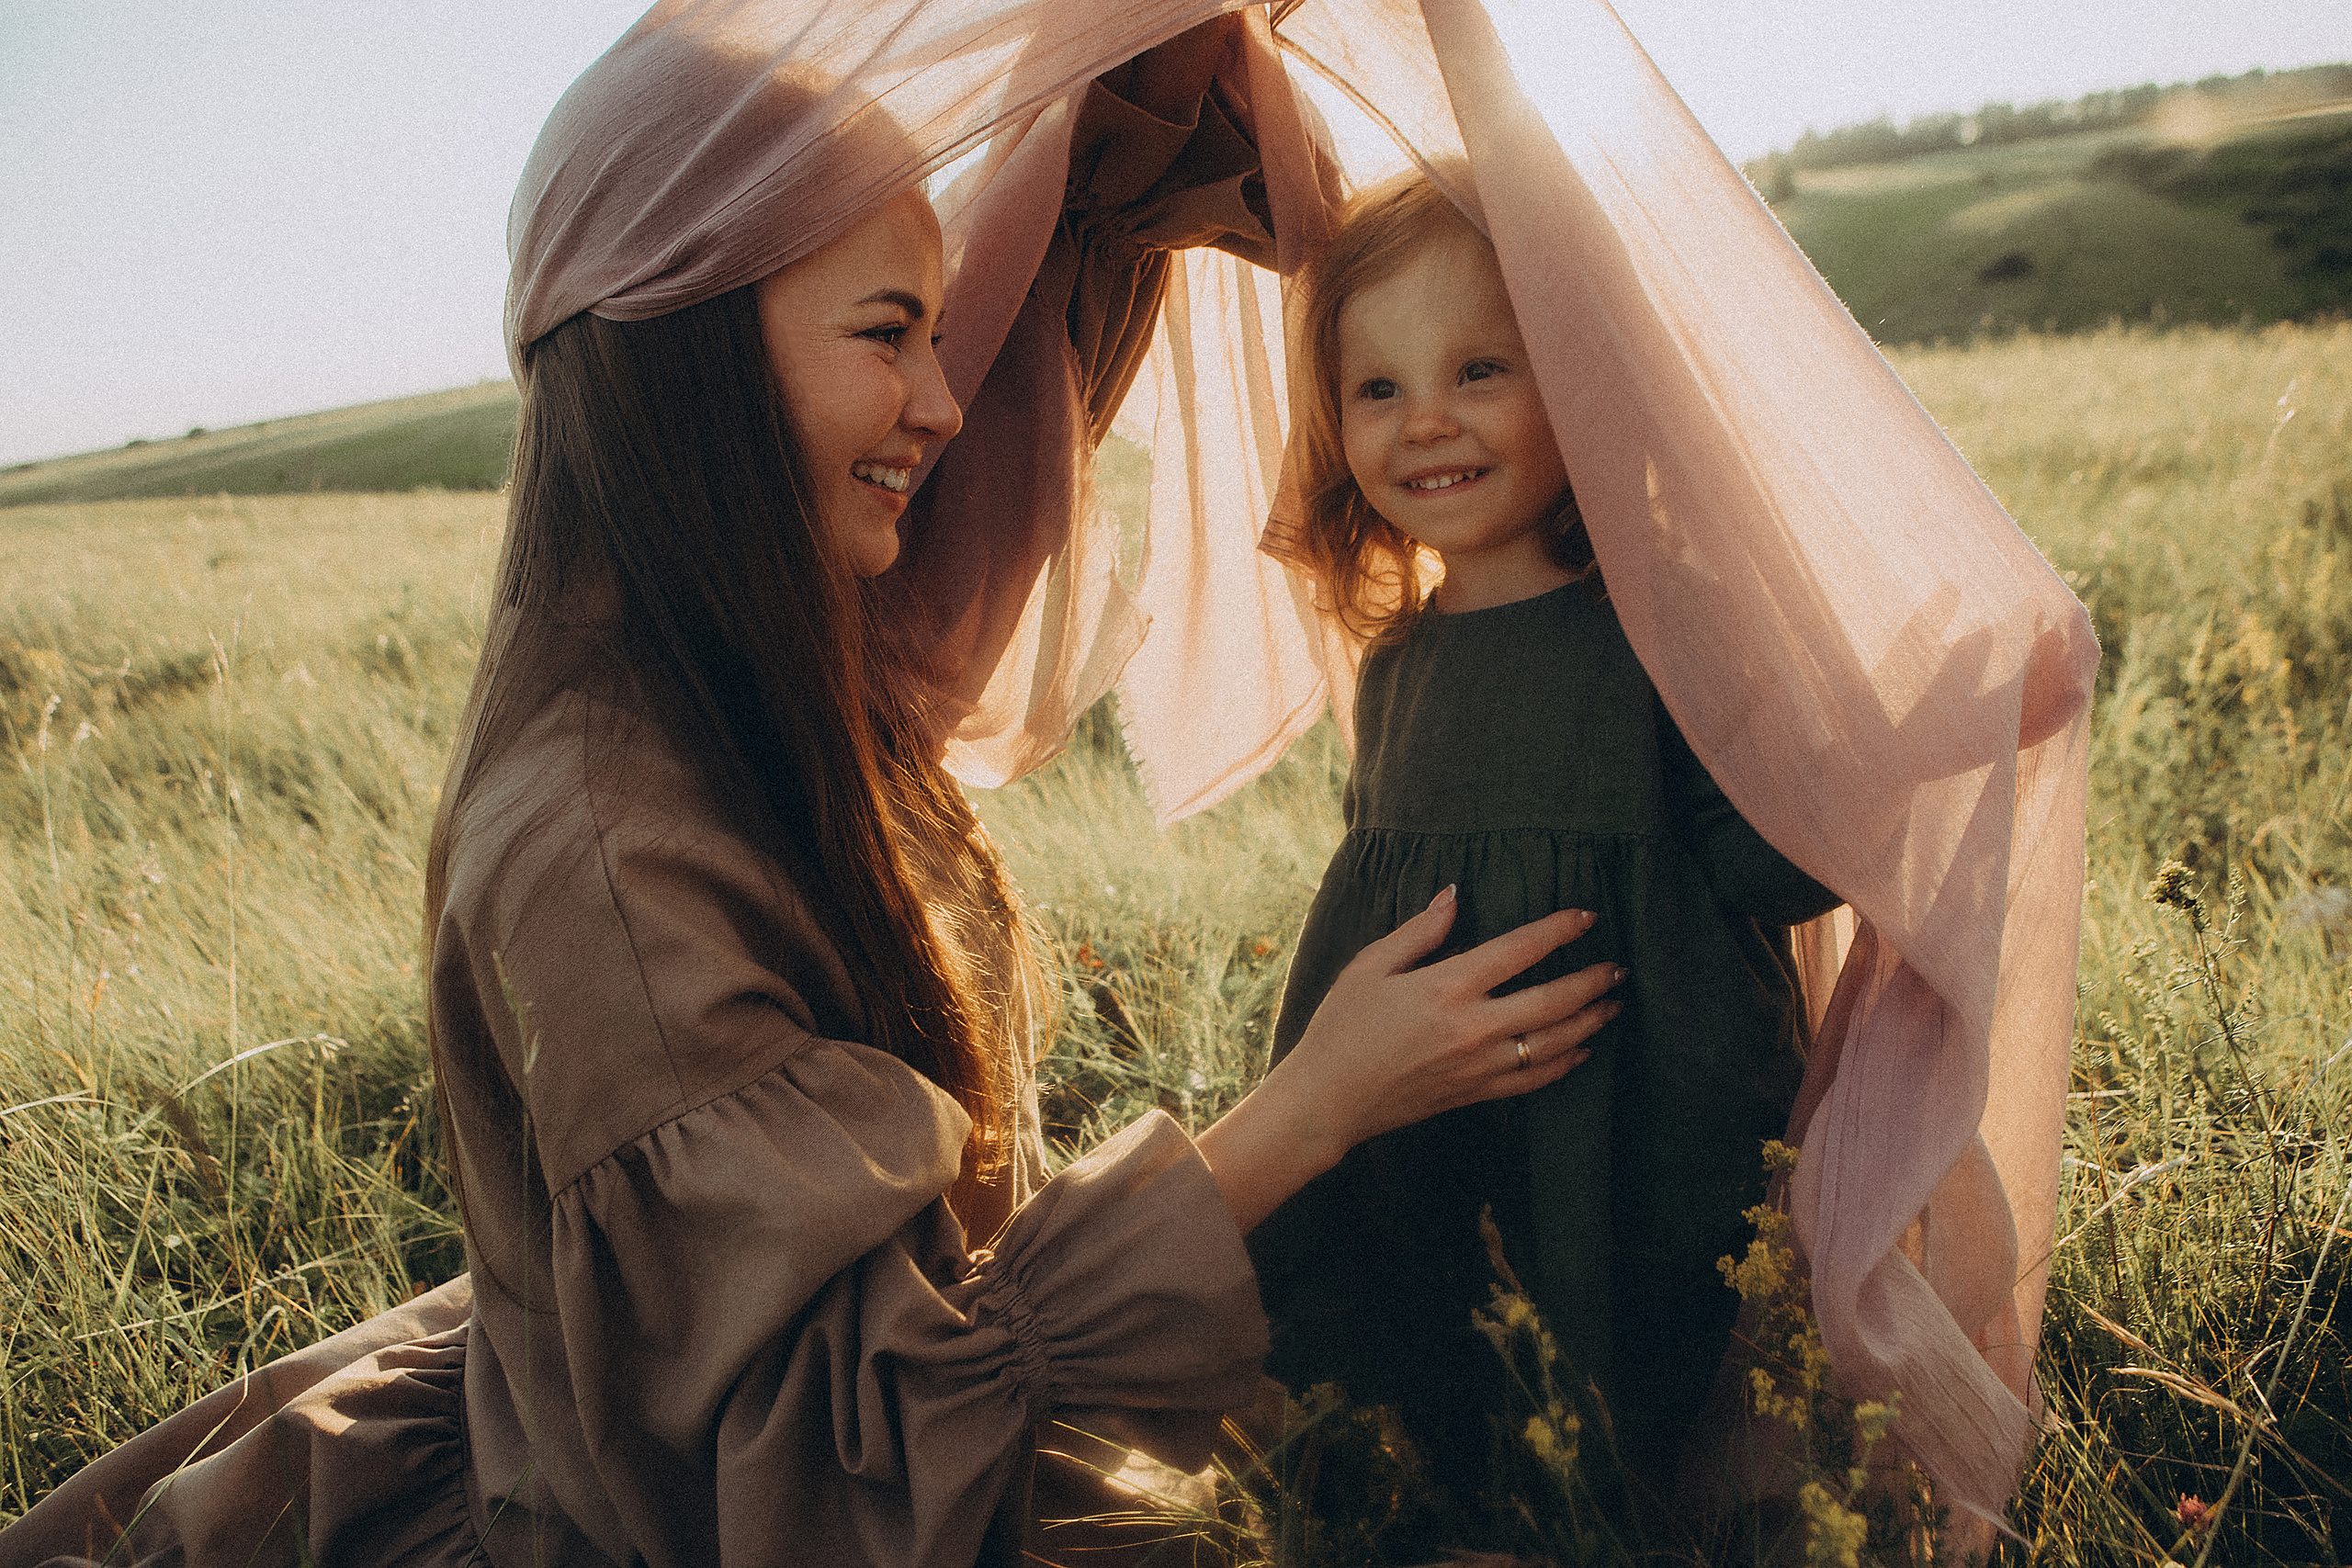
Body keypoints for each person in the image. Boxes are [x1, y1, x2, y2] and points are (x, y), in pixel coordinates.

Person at [0, 16, 1628, 1568]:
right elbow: (839, 1474)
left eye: (936, 326)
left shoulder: (751, 665)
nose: (941, 397)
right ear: (696, 350)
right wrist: (1312, 1107)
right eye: (888, 333)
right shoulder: (605, 852)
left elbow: (1030, 346)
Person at [1243, 170, 1848, 1544]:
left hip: (1639, 1116)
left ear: (1580, 379)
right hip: (1428, 1122)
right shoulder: (1399, 662)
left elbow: (1777, 866)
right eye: (1378, 388)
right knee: (1443, 1388)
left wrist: (1888, 752)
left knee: (1642, 1426)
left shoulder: (1659, 634)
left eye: (1479, 368)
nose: (1427, 422)